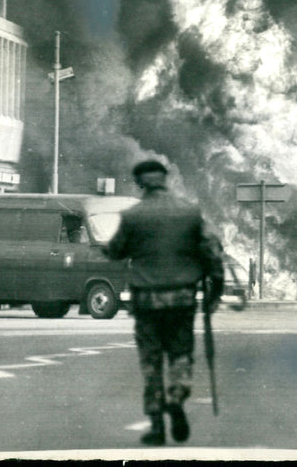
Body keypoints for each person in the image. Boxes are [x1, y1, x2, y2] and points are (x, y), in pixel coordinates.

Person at [105, 160, 224, 446]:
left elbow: (116, 250)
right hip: (181, 299)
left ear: (140, 183)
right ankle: (176, 398)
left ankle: (157, 425)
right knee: (180, 355)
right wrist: (214, 292)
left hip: (146, 301)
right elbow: (212, 254)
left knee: (151, 361)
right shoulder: (190, 212)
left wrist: (108, 248)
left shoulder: (133, 216)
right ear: (165, 180)